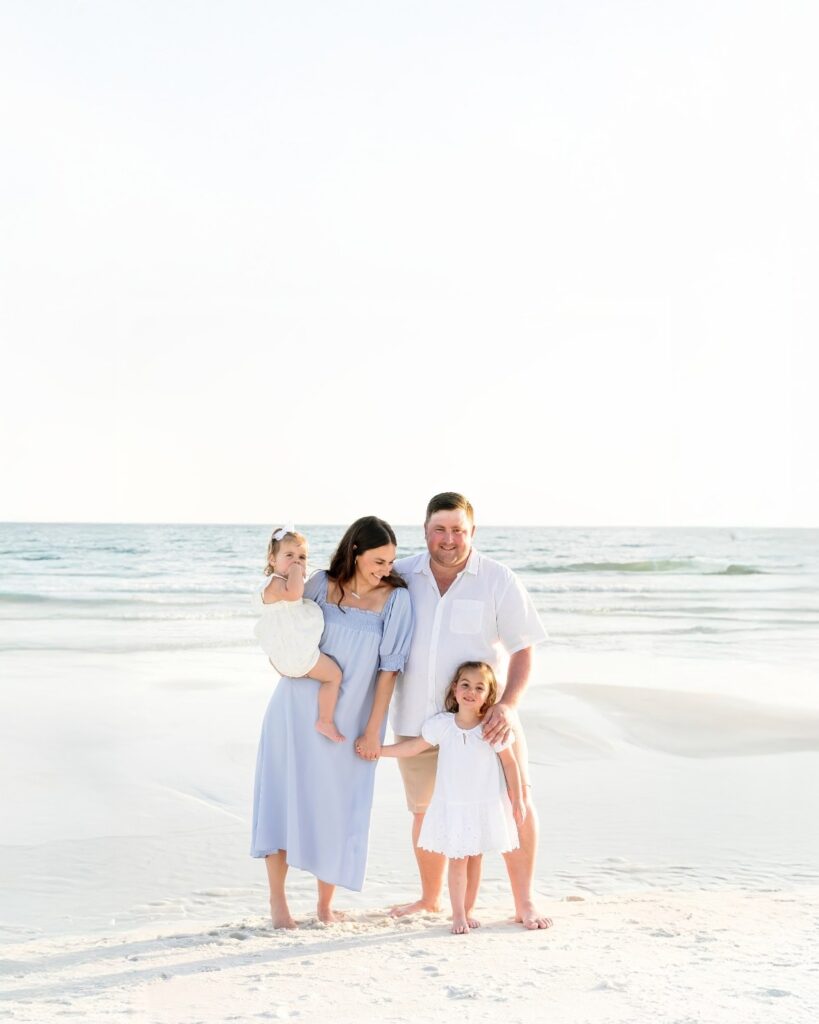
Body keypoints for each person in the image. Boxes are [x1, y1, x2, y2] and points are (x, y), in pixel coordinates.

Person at [371, 491, 552, 930]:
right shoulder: (402, 575)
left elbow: (524, 650)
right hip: (417, 720)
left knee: (515, 804)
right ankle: (430, 899)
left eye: (458, 530)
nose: (448, 539)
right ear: (425, 530)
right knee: (425, 811)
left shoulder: (498, 579)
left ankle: (524, 902)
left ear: (472, 532)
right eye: (440, 529)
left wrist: (507, 706)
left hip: (485, 723)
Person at [251, 516, 413, 927]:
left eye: (390, 562)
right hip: (294, 709)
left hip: (350, 720)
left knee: (339, 806)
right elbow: (283, 624)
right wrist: (278, 661)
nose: (385, 570)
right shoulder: (320, 583)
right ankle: (278, 904)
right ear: (355, 552)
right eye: (378, 561)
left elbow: (389, 670)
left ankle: (324, 905)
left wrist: (374, 728)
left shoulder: (396, 600)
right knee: (282, 801)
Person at [380, 661, 525, 935]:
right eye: (466, 685)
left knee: (476, 858)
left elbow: (510, 764)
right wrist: (380, 750)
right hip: (454, 806)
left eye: (479, 687)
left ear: (488, 696)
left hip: (482, 805)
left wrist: (517, 799)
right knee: (458, 859)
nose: (471, 692)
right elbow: (413, 747)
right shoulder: (443, 725)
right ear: (455, 690)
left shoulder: (490, 728)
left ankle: (469, 910)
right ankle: (457, 914)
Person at [254, 525, 344, 743]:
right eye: (289, 556)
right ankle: (325, 720)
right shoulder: (274, 583)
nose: (297, 561)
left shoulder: (279, 584)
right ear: (272, 560)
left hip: (282, 658)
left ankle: (294, 672)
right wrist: (296, 571)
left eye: (302, 557)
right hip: (298, 656)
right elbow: (294, 594)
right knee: (334, 676)